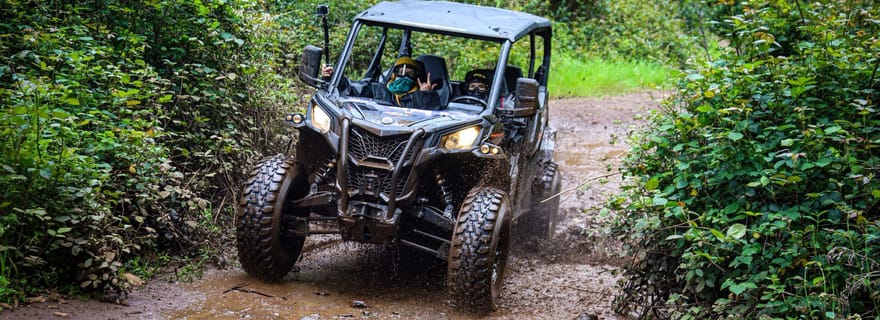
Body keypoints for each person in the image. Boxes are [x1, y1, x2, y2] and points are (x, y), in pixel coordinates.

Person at [321, 56, 441, 110]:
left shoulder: (419, 98)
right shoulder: (378, 90)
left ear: (417, 77)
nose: (404, 76)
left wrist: (426, 94)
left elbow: (433, 116)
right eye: (400, 71)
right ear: (393, 74)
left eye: (410, 73)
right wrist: (332, 77)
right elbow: (352, 88)